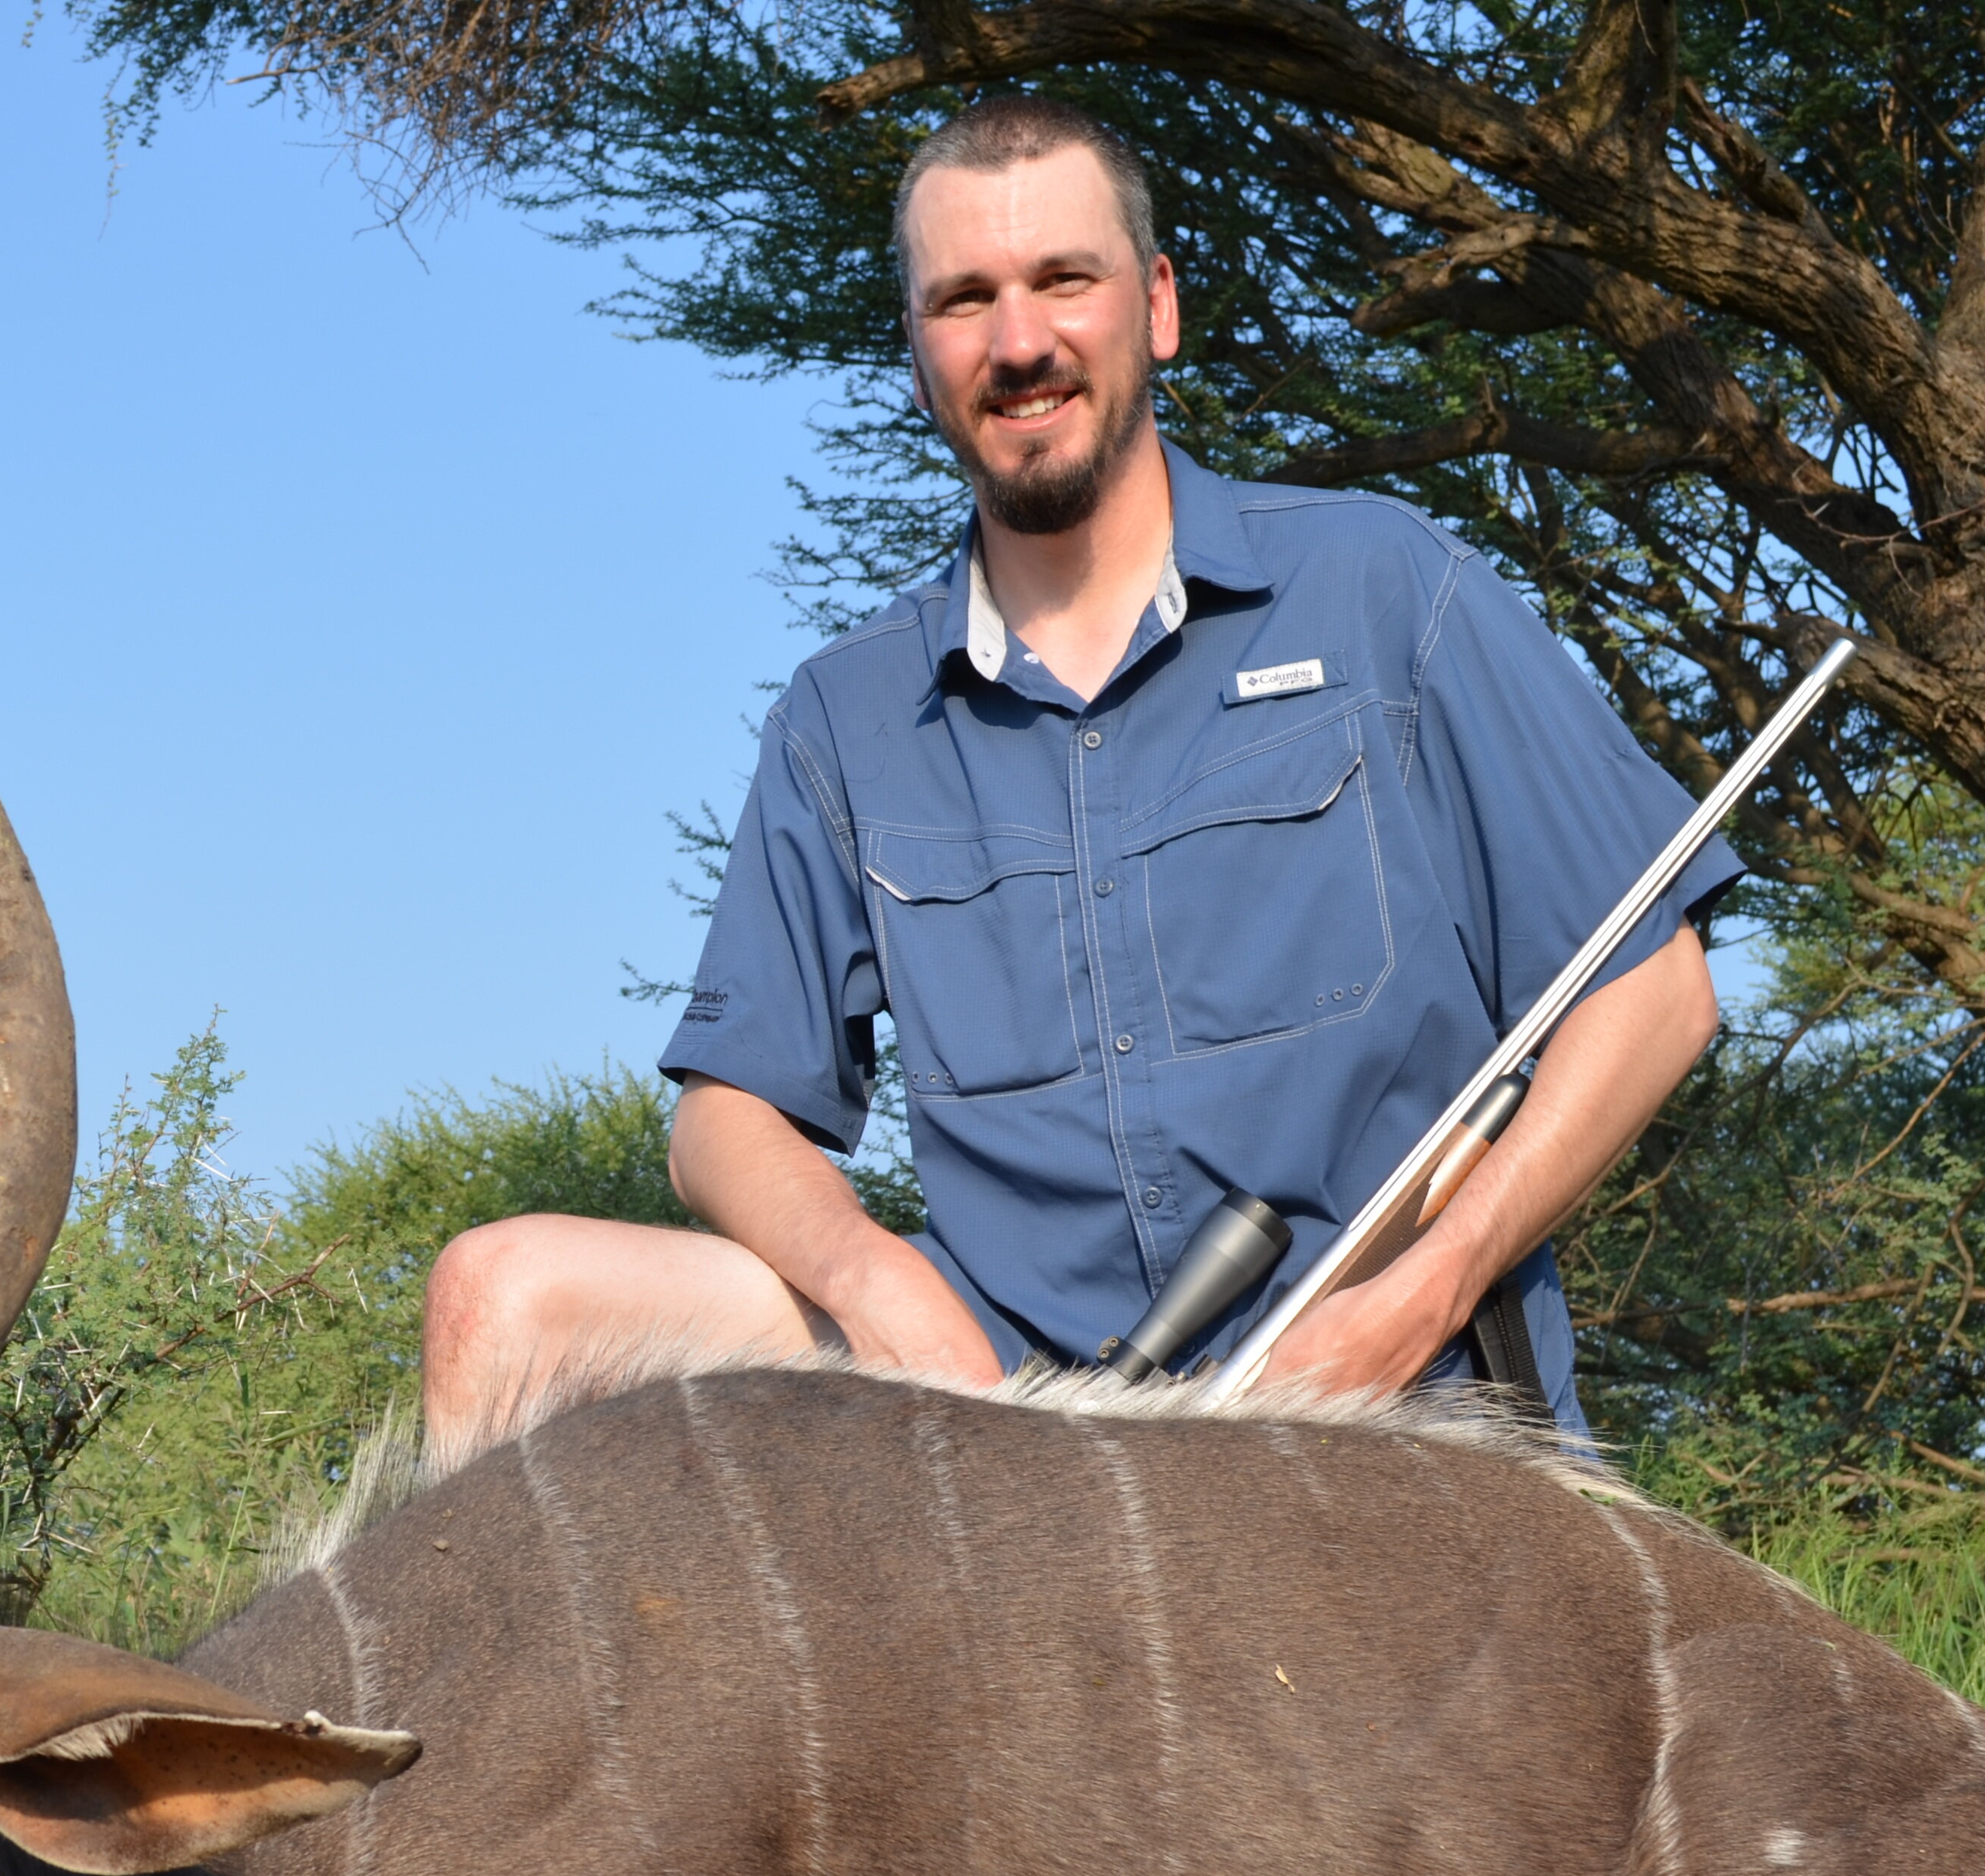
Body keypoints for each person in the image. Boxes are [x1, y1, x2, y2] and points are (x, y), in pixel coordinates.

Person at [420, 93, 1732, 1457]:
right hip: (1008, 1394)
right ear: (917, 354)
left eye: (1065, 281)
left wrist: (1425, 1295)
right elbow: (723, 1117)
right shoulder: (842, 713)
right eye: (964, 299)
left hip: (1378, 1381)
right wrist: (878, 1283)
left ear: (1155, 306)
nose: (1021, 342)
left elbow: (1656, 991)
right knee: (499, 1300)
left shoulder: (1386, 584)